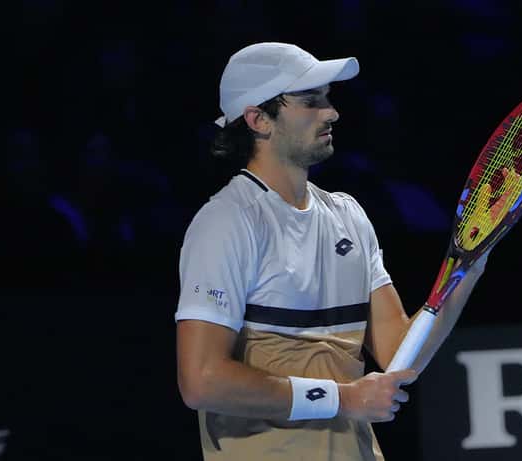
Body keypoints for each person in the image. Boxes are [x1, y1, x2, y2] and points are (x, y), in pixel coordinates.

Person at [174, 42, 488, 461]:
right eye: (310, 101)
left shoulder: (348, 216)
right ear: (258, 120)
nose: (332, 112)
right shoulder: (227, 222)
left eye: (327, 98)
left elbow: (399, 353)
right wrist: (341, 399)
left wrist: (470, 266)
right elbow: (202, 380)